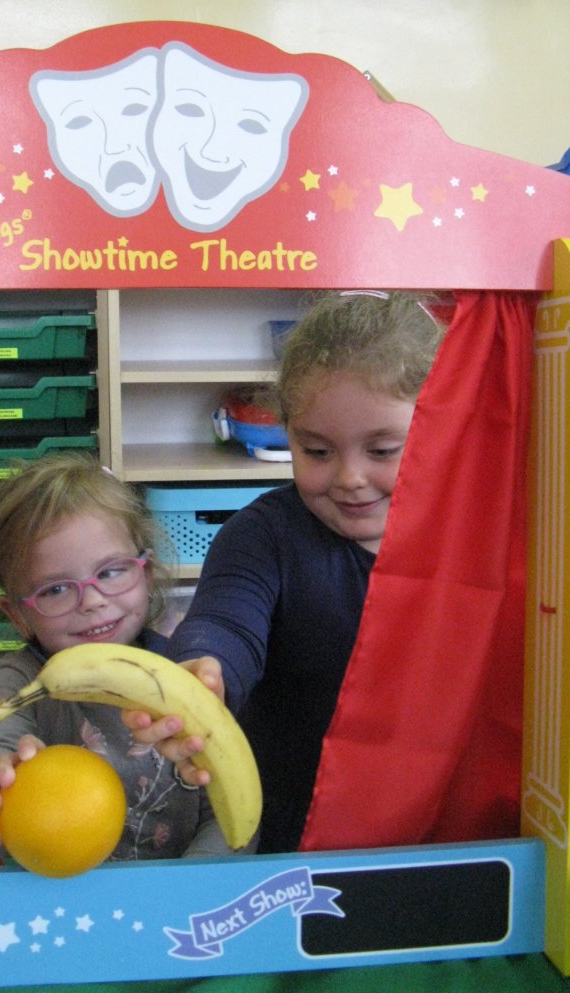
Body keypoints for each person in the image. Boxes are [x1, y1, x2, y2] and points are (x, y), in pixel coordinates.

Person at [124, 290, 447, 854]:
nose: (349, 477)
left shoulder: (472, 538)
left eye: (382, 450)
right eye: (317, 451)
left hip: (448, 829)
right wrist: (204, 669)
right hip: (291, 832)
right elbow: (226, 621)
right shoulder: (261, 537)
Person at [0, 451, 237, 862]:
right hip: (60, 885)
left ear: (146, 573)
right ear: (18, 615)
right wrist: (0, 772)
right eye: (56, 589)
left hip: (183, 883)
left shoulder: (182, 672)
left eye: (111, 572)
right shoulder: (19, 681)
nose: (92, 601)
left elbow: (227, 808)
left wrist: (192, 881)